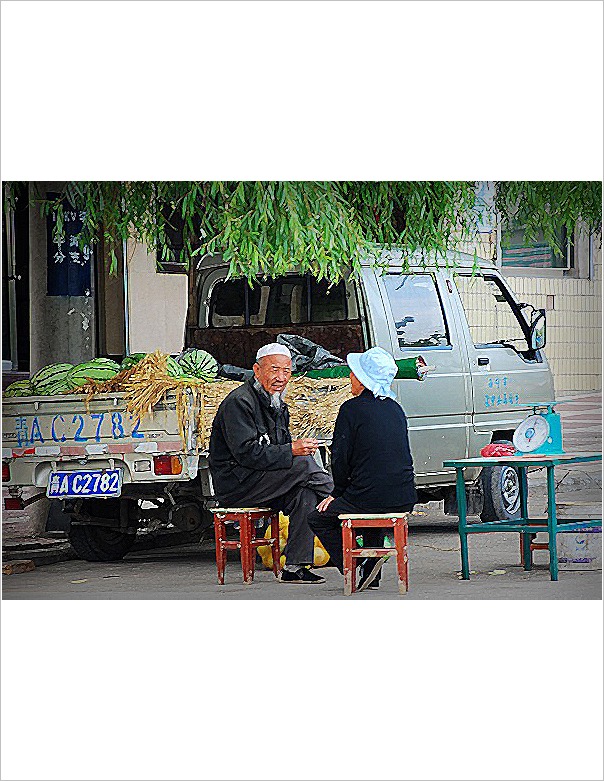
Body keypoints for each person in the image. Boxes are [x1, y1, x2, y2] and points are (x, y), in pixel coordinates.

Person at [208, 343, 334, 584]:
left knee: (305, 494)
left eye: (286, 371)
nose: (281, 378)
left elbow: (278, 448)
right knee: (304, 464)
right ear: (257, 370)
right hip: (238, 484)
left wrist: (291, 449)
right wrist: (292, 450)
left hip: (263, 480)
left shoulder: (277, 403)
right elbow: (248, 454)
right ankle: (343, 498)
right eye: (274, 370)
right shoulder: (239, 402)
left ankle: (294, 567)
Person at [308, 346, 417, 591]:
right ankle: (371, 573)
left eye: (354, 374)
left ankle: (354, 562)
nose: (350, 378)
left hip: (369, 496)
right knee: (370, 503)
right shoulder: (395, 408)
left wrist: (337, 493)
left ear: (364, 379)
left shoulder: (351, 408)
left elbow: (340, 457)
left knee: (318, 518)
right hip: (403, 496)